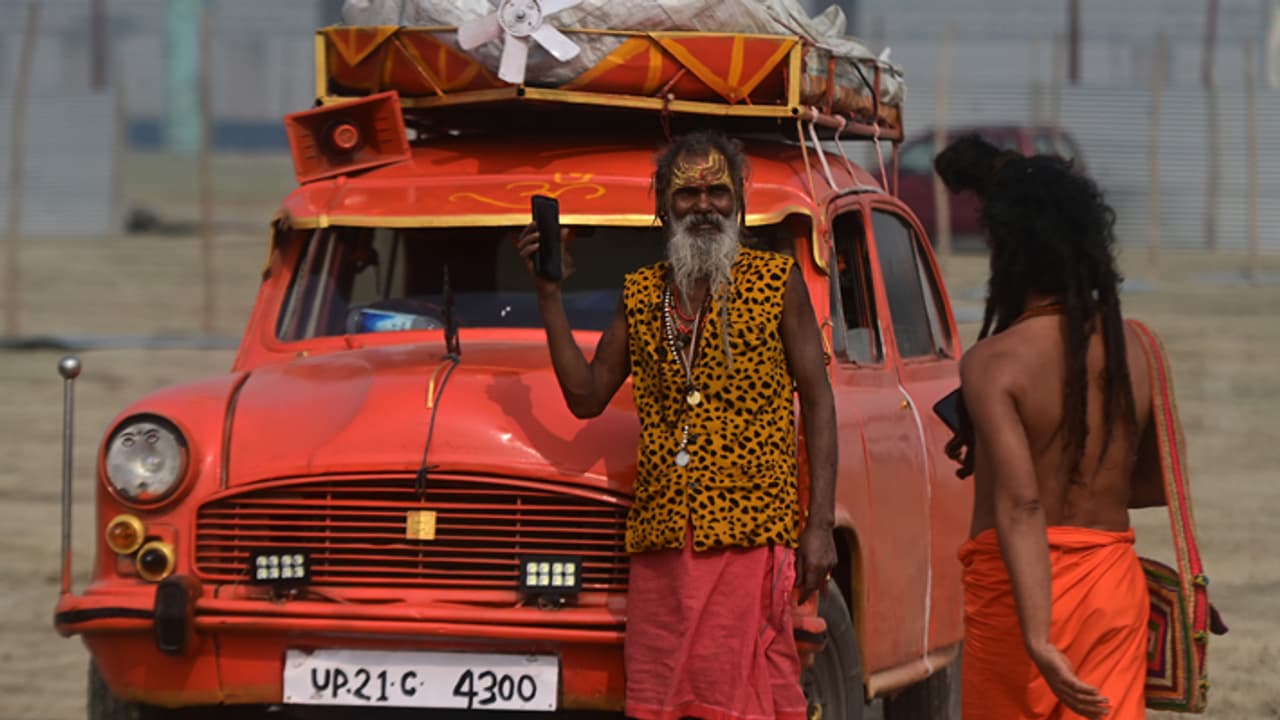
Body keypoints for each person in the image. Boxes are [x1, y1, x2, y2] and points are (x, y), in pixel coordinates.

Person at [516, 130, 838, 720]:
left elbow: (818, 401)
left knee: (741, 697)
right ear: (662, 203)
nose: (704, 206)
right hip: (664, 536)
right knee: (665, 696)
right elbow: (586, 398)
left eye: (718, 191)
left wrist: (818, 527)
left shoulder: (776, 282)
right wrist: (549, 297)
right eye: (687, 194)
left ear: (740, 197)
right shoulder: (642, 294)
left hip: (750, 530)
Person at [935, 135, 1166, 720]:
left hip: (1018, 594)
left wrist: (1040, 637)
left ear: (1007, 252)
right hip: (1111, 586)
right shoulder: (1137, 347)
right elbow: (1156, 487)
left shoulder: (995, 362)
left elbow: (1022, 508)